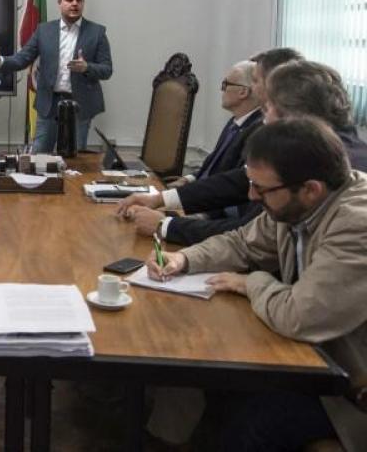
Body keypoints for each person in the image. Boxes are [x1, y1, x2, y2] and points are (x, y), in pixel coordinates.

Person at [146, 118, 367, 451]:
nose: (251, 195)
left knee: (255, 421)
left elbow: (299, 316)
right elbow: (240, 243)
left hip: (352, 387)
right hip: (320, 362)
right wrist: (184, 259)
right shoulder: (298, 204)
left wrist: (252, 282)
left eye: (261, 189)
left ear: (311, 189)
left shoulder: (356, 224)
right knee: (217, 384)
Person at [116, 48, 304, 245]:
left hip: (221, 224)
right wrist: (163, 199)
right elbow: (234, 180)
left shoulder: (271, 138)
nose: (254, 91)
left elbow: (247, 232)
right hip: (220, 225)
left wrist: (166, 224)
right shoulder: (244, 125)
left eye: (256, 81)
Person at [0, 0, 112, 153]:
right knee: (39, 155)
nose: (74, 3)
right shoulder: (44, 31)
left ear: (83, 3)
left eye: (79, 0)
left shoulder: (97, 32)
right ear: (60, 2)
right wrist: (2, 60)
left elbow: (107, 69)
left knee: (75, 160)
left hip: (80, 104)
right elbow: (23, 58)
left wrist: (87, 67)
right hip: (49, 102)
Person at [164, 60, 262, 188]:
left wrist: (181, 197)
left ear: (243, 92)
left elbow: (230, 183)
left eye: (225, 84)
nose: (222, 90)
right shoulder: (234, 123)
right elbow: (214, 165)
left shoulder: (257, 132)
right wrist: (188, 179)